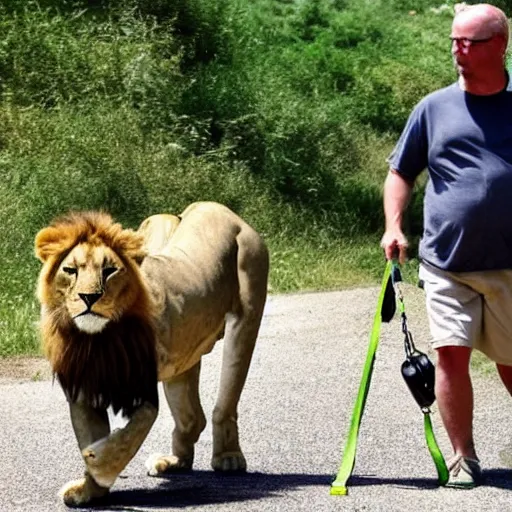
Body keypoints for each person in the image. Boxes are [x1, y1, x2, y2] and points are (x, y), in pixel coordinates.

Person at [381, 3, 512, 489]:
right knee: (451, 355)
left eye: (469, 42)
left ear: (500, 45)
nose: (458, 51)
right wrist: (394, 225)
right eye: (454, 41)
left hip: (508, 266)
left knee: (511, 364)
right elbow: (400, 173)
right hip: (446, 262)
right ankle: (463, 457)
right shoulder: (432, 108)